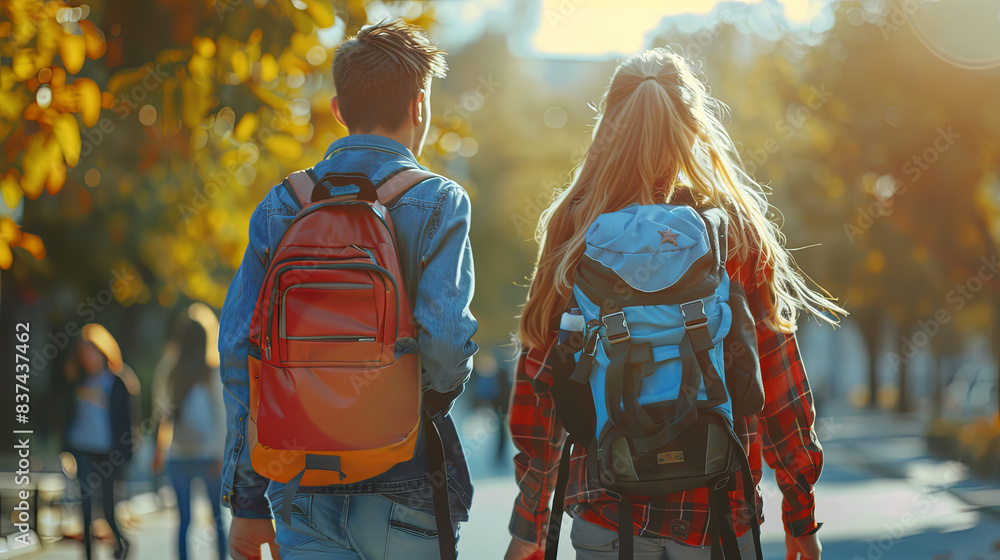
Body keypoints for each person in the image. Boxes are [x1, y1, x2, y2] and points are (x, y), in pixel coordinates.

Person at [505, 48, 845, 560]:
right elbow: (777, 375)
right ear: (692, 126)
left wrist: (530, 523)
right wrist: (800, 509)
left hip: (609, 509)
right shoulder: (729, 229)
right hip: (718, 512)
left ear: (607, 127)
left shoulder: (576, 226)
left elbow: (543, 382)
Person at [219, 19, 478, 560]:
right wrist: (416, 400)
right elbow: (446, 341)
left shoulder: (282, 203)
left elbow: (240, 349)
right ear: (419, 106)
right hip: (405, 476)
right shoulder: (439, 200)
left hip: (300, 479)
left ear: (338, 110)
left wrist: (246, 500)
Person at [152, 303, 228, 560]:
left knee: (183, 521)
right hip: (208, 455)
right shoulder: (213, 371)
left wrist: (159, 452)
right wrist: (221, 454)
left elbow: (161, 415)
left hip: (177, 454)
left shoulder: (168, 371)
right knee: (217, 518)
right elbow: (222, 416)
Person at [63, 323, 137, 560]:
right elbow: (66, 415)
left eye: (92, 352)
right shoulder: (78, 381)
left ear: (102, 351)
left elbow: (127, 422)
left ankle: (122, 544)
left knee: (107, 510)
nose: (88, 358)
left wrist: (126, 455)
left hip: (107, 453)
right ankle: (87, 555)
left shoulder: (117, 383)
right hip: (81, 449)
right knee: (85, 505)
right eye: (84, 353)